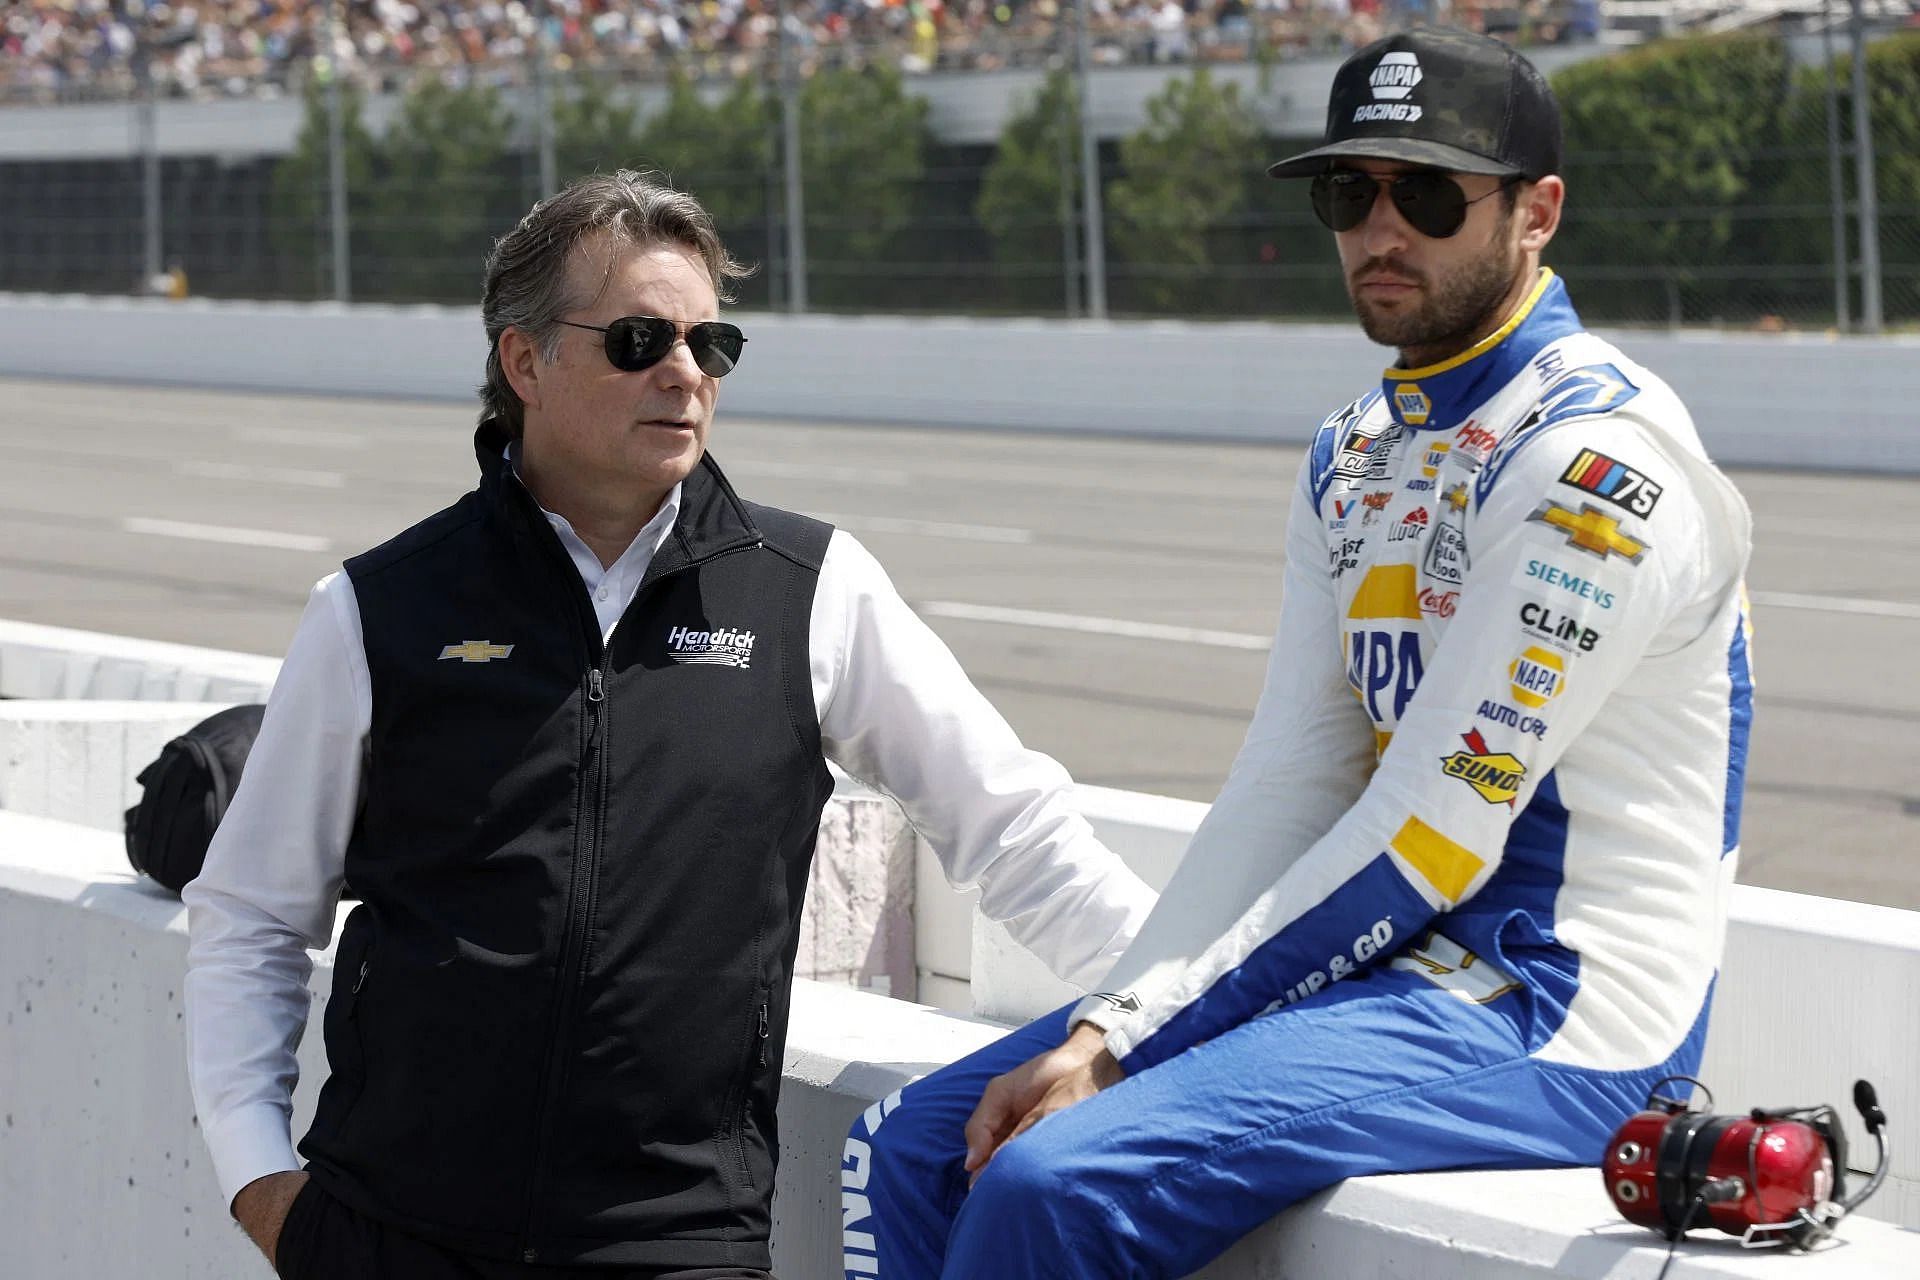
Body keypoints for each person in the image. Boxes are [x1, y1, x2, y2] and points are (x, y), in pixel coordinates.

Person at [844, 27, 1754, 1280]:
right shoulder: (1357, 450)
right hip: (1385, 967)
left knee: (1054, 1176)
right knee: (912, 1141)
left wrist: (1120, 1042)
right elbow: (1291, 781)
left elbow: (1433, 828)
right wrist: (1120, 1012)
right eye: (1350, 191)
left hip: (1563, 1007)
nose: (1384, 229)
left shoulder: (1597, 466)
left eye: (1428, 193)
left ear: (1537, 212)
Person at [181, 171, 1156, 1279]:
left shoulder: (812, 589)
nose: (686, 372)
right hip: (392, 1234)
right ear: (525, 361)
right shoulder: (378, 607)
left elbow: (1016, 829)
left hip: (676, 1246)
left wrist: (1172, 997)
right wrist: (263, 1185)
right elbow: (252, 915)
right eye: (640, 338)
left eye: (712, 341)